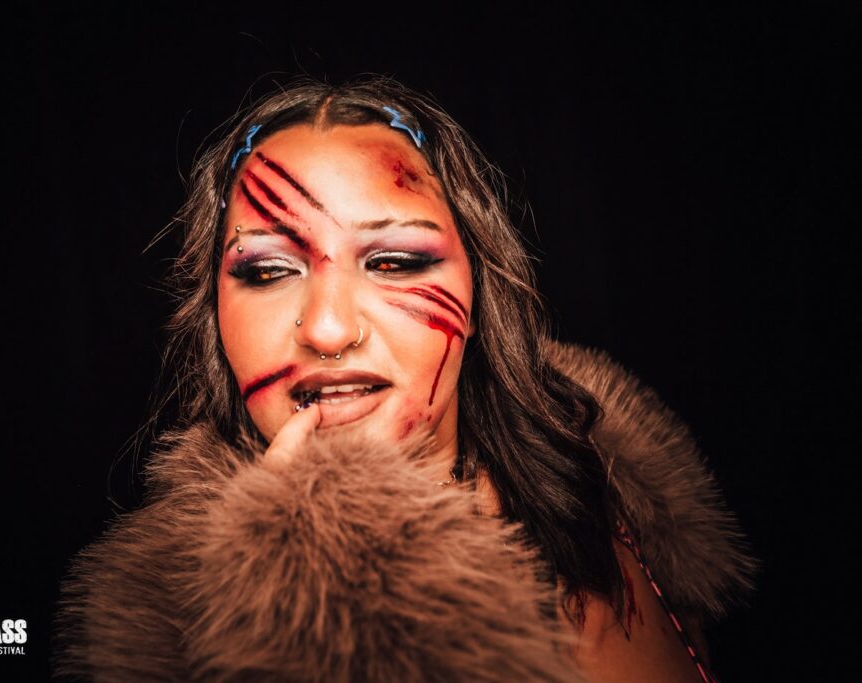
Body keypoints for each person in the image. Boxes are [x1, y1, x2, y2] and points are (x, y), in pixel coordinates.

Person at [55, 76, 758, 682]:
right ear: (213, 314)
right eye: (268, 270)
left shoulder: (604, 471)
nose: (329, 329)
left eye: (393, 261)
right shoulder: (162, 629)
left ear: (479, 292)